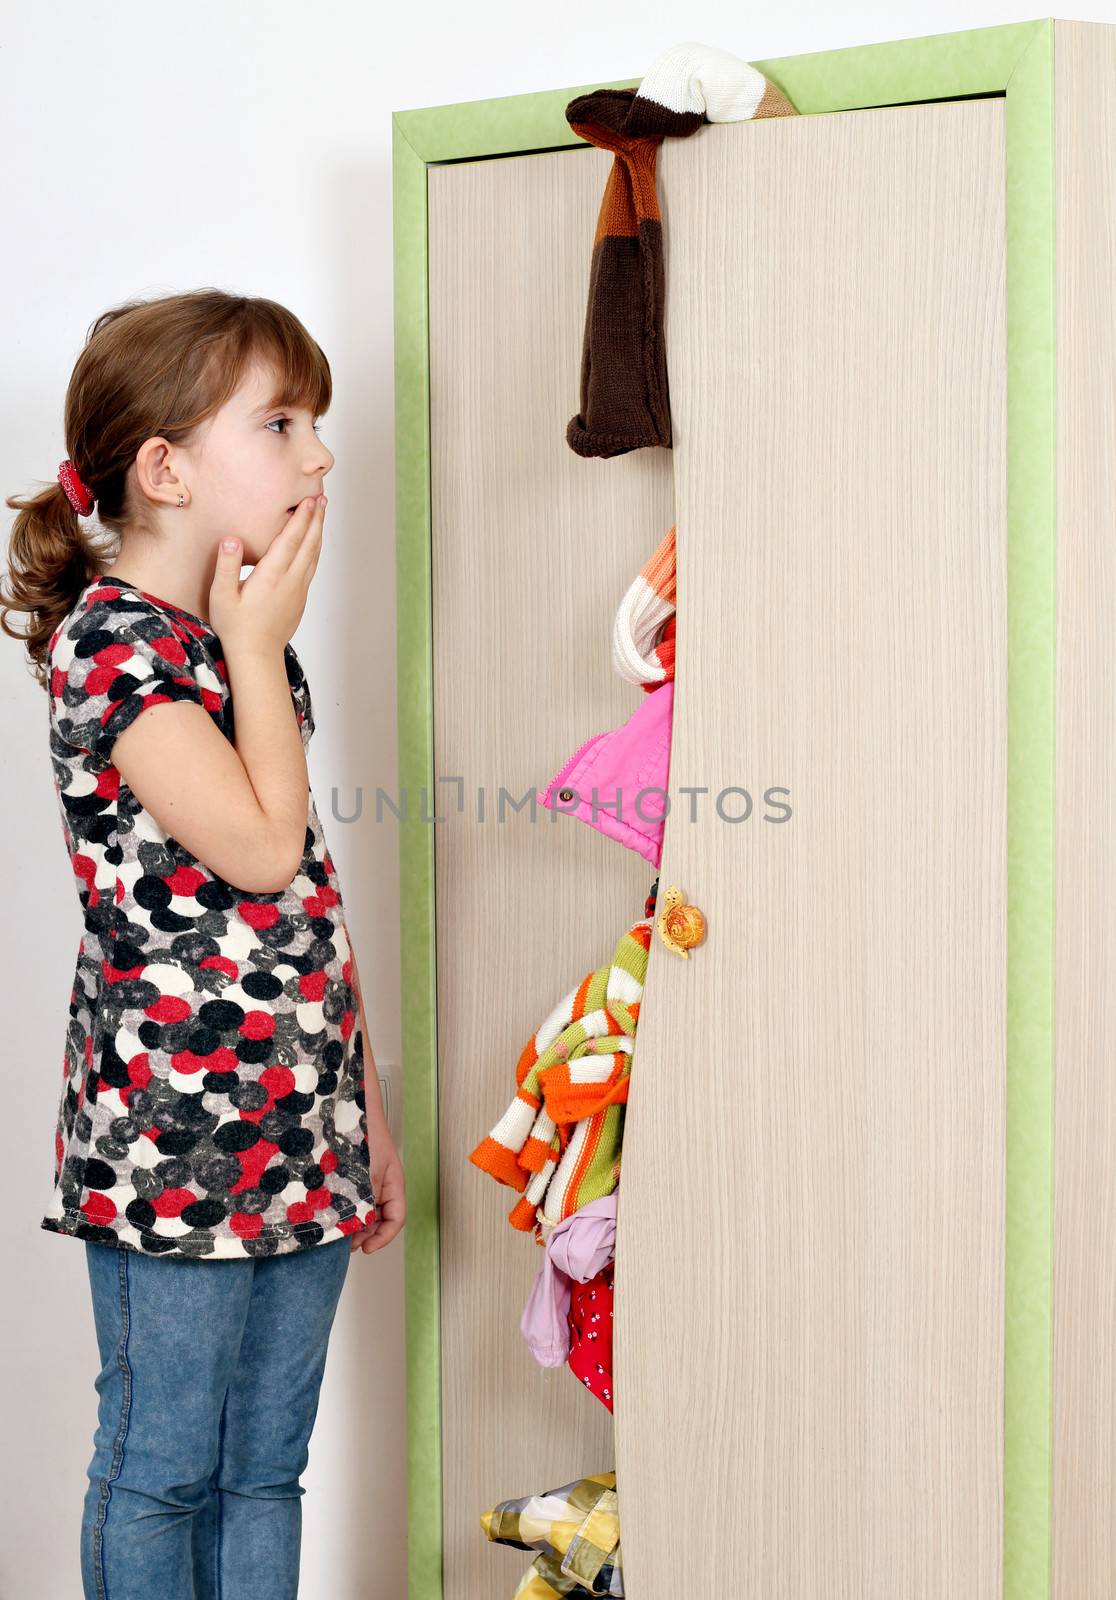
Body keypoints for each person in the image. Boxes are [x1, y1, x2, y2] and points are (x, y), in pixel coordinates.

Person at [1, 287, 406, 1599]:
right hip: (175, 1133)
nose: (320, 454)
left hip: (303, 1122)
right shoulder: (117, 647)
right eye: (281, 423)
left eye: (315, 422)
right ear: (164, 468)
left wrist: (366, 1112)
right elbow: (259, 848)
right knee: (165, 1463)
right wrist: (253, 643)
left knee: (263, 1467)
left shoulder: (239, 642)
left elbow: (301, 908)